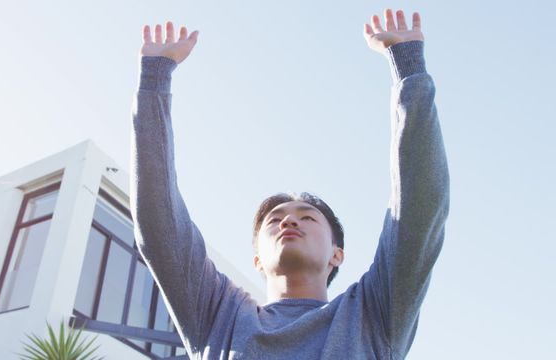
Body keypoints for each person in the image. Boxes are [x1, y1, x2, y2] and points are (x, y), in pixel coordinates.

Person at [130, 8, 449, 359]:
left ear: (337, 254)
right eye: (275, 220)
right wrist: (155, 80)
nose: (288, 220)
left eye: (308, 217)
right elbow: (160, 227)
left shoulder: (373, 315)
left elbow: (419, 214)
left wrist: (410, 69)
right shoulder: (220, 316)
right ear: (257, 260)